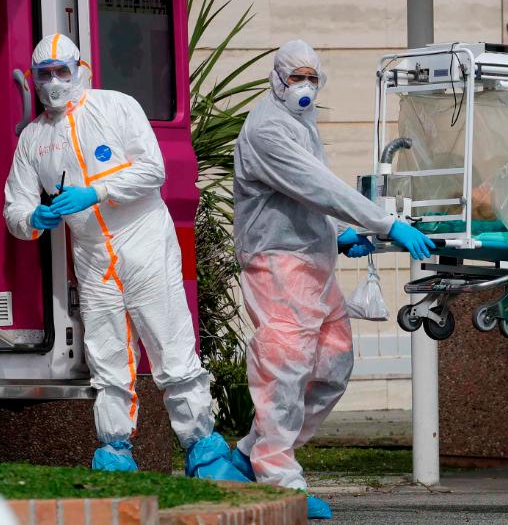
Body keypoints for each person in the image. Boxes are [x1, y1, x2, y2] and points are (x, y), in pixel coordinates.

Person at [3, 34, 248, 481]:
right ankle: (116, 457)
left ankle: (206, 456)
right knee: (108, 361)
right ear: (33, 79)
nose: (54, 81)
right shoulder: (34, 139)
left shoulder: (116, 107)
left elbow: (153, 169)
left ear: (81, 69)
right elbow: (14, 209)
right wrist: (34, 217)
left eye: (63, 71)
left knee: (172, 351)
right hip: (94, 259)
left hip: (144, 243)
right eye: (44, 73)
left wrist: (96, 192)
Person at [230, 40, 434, 519]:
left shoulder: (301, 122)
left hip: (311, 258)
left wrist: (340, 234)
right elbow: (319, 186)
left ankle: (251, 452)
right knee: (285, 367)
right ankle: (280, 482)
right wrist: (386, 224)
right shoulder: (268, 129)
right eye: (295, 77)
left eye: (311, 78)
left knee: (334, 363)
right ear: (276, 79)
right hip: (276, 260)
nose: (303, 86)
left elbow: (305, 196)